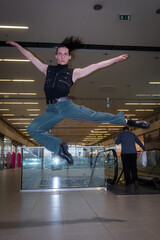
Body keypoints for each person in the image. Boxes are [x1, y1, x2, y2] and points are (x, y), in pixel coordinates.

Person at [6, 37, 150, 165]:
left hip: (66, 105)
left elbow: (96, 66)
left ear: (69, 57)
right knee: (32, 129)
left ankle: (128, 121)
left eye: (65, 54)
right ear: (56, 56)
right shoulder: (47, 69)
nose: (62, 56)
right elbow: (30, 57)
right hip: (51, 110)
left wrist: (114, 59)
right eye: (60, 54)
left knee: (96, 116)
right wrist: (16, 45)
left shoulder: (74, 73)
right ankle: (60, 147)